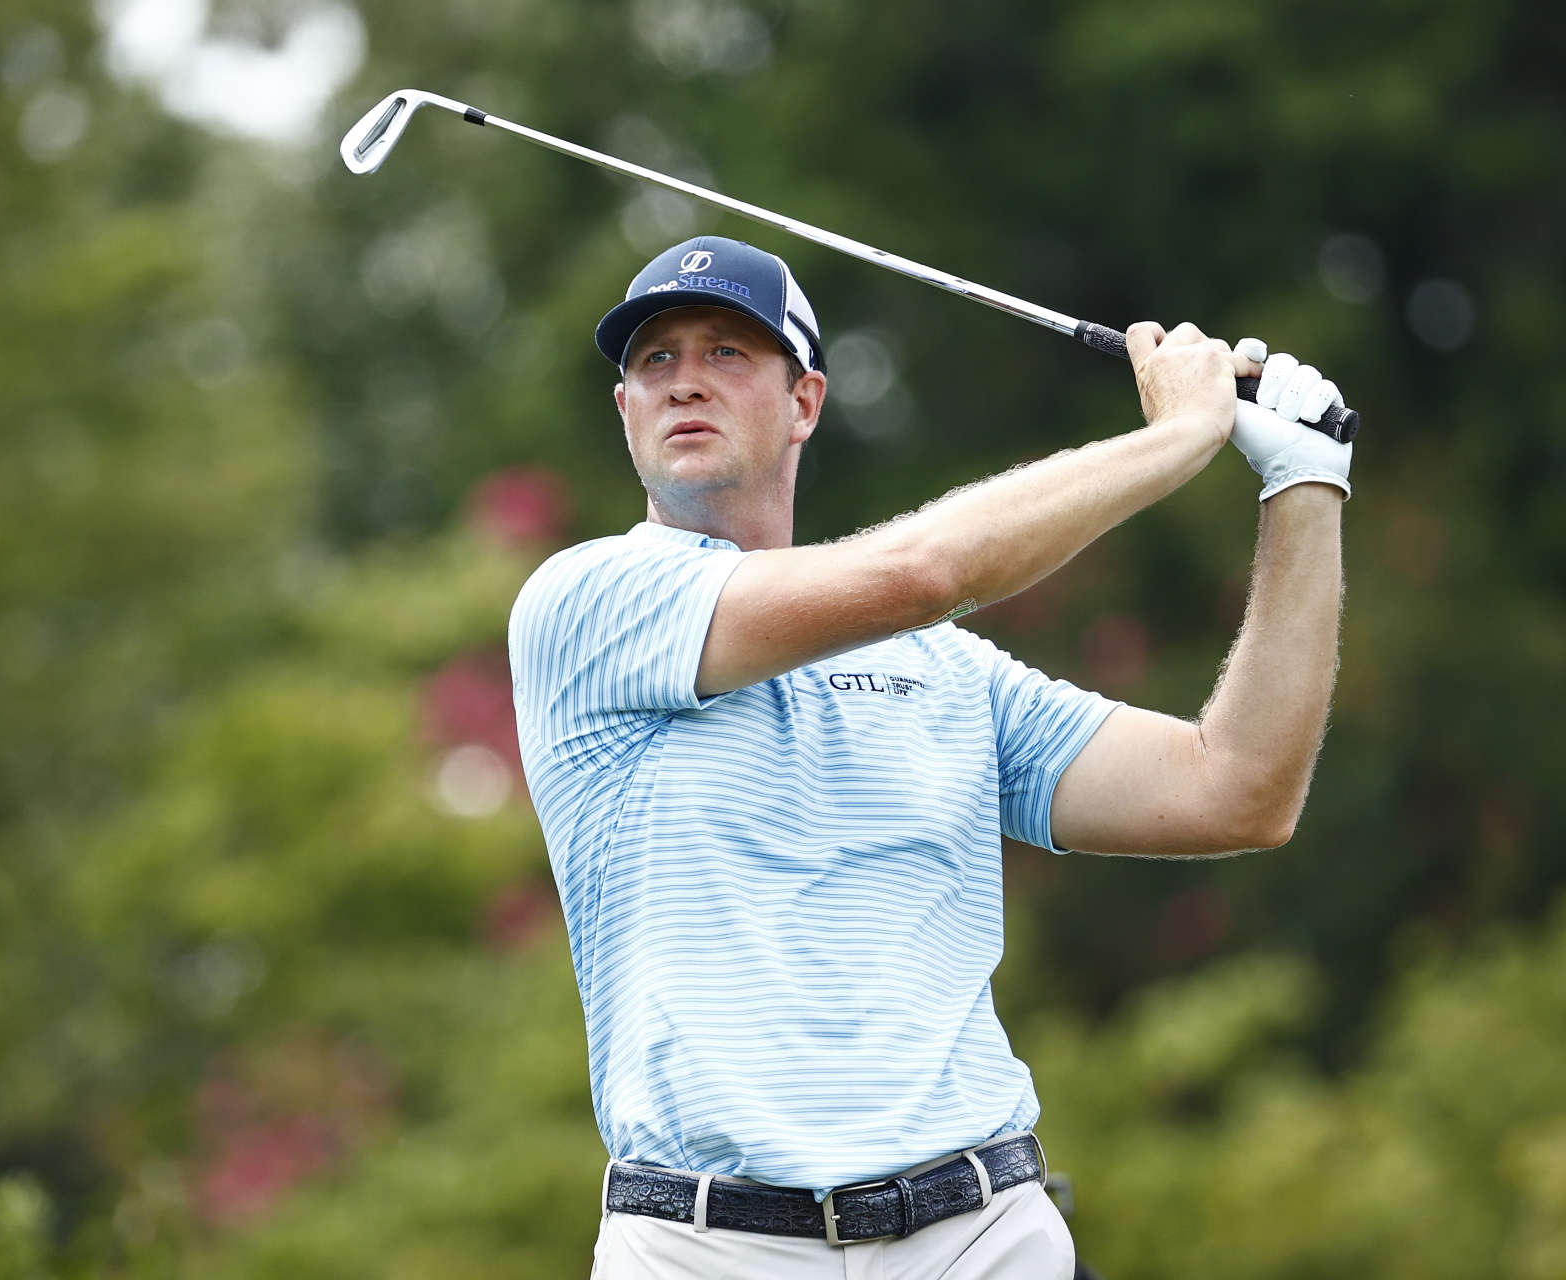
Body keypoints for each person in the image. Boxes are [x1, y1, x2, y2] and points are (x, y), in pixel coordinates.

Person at [506, 235, 1352, 1279]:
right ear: (625, 408)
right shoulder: (585, 603)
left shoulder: (947, 671)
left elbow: (1238, 788)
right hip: (703, 1245)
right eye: (653, 360)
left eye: (727, 351)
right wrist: (1185, 433)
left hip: (983, 1235)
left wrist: (1305, 486)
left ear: (805, 401)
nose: (684, 378)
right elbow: (926, 567)